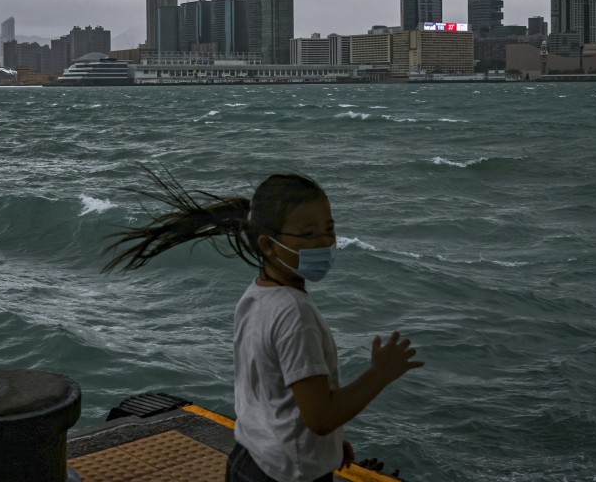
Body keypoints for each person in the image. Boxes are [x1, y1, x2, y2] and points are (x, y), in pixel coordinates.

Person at [104, 169, 424, 482]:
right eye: (309, 234)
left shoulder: (257, 295)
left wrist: (327, 446)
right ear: (268, 245)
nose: (326, 242)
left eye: (329, 228)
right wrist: (379, 374)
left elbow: (274, 389)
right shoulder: (296, 315)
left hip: (251, 456)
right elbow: (321, 417)